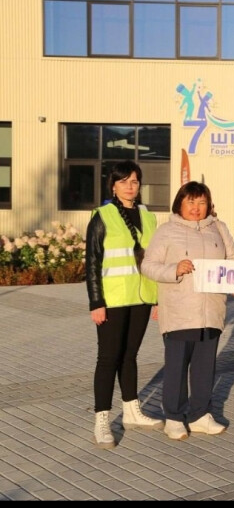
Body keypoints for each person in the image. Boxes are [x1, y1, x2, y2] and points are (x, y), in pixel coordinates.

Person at [141, 182, 234, 441]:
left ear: (209, 205)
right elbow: (148, 265)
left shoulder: (219, 228)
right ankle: (174, 417)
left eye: (202, 203)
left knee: (204, 367)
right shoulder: (167, 231)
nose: (196, 208)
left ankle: (199, 415)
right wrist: (173, 269)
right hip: (179, 311)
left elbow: (233, 260)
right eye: (191, 202)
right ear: (180, 204)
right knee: (176, 367)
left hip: (212, 311)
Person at [85, 160, 164, 449]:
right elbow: (92, 262)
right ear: (113, 186)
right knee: (108, 359)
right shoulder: (102, 216)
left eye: (134, 181)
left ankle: (132, 411)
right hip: (113, 299)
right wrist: (96, 301)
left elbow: (156, 259)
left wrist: (157, 298)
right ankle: (102, 421)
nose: (130, 186)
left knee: (130, 356)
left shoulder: (148, 217)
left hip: (141, 297)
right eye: (124, 181)